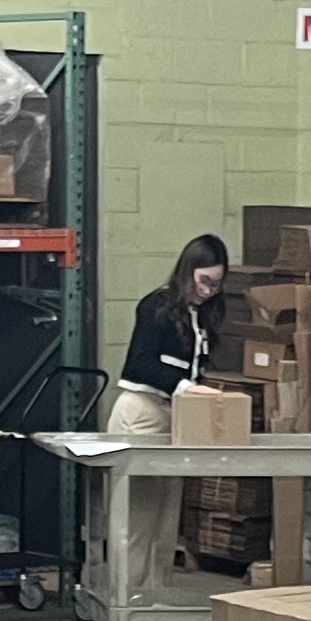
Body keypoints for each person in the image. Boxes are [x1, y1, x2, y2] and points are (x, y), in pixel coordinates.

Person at [98, 232, 230, 598]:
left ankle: (154, 597)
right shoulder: (154, 307)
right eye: (204, 281)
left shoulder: (201, 316)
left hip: (177, 416)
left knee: (167, 517)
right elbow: (139, 364)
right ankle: (126, 597)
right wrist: (188, 387)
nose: (208, 291)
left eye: (216, 285)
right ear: (187, 271)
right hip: (142, 412)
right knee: (138, 516)